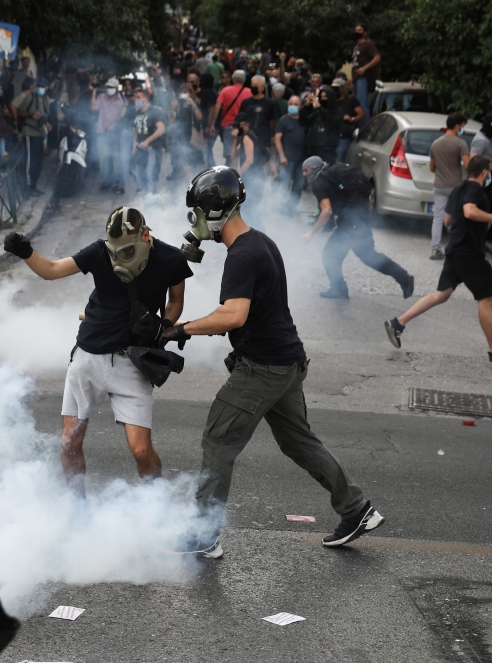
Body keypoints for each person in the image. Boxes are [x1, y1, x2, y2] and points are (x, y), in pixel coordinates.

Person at [162, 166, 387, 559]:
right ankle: (356, 510)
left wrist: (181, 330)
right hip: (287, 362)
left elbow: (233, 315)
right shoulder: (260, 242)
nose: (193, 221)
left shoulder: (241, 256)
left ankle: (203, 534)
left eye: (196, 212)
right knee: (298, 442)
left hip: (263, 368)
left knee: (218, 440)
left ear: (213, 212)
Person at [0, 207, 191, 493]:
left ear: (145, 236)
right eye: (114, 251)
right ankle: (77, 508)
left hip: (132, 362)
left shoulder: (170, 258)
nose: (119, 258)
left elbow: (175, 301)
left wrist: (163, 324)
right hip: (88, 356)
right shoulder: (99, 251)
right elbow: (52, 270)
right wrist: (25, 252)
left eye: (126, 252)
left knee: (141, 450)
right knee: (69, 442)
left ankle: (155, 506)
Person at [384, 156, 492, 365]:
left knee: (441, 294)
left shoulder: (458, 189)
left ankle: (398, 323)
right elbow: (469, 211)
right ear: (484, 172)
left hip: (455, 249)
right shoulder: (475, 189)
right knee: (485, 300)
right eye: (490, 172)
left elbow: (448, 220)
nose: (490, 175)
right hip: (469, 253)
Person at [301, 156, 413, 300]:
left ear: (314, 168)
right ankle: (404, 278)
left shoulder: (320, 182)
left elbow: (326, 211)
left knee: (330, 255)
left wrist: (310, 233)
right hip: (359, 219)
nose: (304, 174)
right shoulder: (331, 173)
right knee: (368, 257)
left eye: (306, 170)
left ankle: (339, 289)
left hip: (351, 224)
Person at [428, 113, 470, 260]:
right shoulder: (461, 144)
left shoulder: (435, 143)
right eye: (462, 126)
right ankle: (455, 248)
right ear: (457, 126)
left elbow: (432, 168)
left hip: (439, 186)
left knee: (438, 217)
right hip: (455, 186)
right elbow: (468, 166)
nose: (462, 129)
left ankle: (435, 249)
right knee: (457, 218)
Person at [11, 76, 51, 196]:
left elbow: (45, 115)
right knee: (30, 160)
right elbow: (19, 111)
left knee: (38, 161)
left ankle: (33, 185)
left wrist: (47, 124)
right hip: (29, 132)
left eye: (43, 86)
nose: (40, 88)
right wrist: (30, 115)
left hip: (40, 132)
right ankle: (27, 187)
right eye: (38, 86)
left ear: (47, 88)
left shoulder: (46, 99)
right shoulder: (30, 97)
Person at [93, 77, 128, 192]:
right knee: (103, 158)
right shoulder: (101, 97)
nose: (109, 89)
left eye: (111, 87)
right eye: (108, 87)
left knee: (116, 159)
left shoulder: (123, 99)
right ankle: (106, 181)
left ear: (116, 88)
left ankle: (116, 182)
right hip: (103, 133)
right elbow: (93, 107)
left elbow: (131, 111)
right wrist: (93, 92)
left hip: (117, 134)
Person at [130, 87, 167, 195]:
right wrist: (134, 144)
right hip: (140, 148)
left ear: (145, 98)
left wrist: (147, 141)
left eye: (138, 97)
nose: (135, 100)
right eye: (135, 97)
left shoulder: (155, 111)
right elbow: (136, 129)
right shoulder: (137, 113)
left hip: (153, 148)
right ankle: (147, 196)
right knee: (140, 174)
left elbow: (161, 129)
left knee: (150, 174)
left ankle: (152, 198)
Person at [274, 96, 307, 209]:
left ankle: (292, 207)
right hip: (288, 159)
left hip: (302, 159)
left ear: (300, 106)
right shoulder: (283, 120)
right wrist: (282, 156)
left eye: (296, 104)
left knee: (298, 184)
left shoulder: (304, 120)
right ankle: (283, 207)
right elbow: (277, 138)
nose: (293, 106)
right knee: (285, 183)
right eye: (291, 104)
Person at [216, 70, 251, 160]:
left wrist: (212, 123)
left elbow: (217, 106)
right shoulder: (249, 92)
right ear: (244, 80)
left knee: (230, 154)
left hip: (228, 125)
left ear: (232, 79)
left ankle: (230, 168)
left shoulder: (225, 91)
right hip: (245, 126)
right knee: (244, 154)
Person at [300, 85, 342, 163]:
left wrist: (319, 107)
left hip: (328, 149)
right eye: (321, 97)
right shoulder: (316, 112)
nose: (323, 99)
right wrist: (307, 107)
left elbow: (331, 122)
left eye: (325, 97)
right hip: (313, 148)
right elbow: (303, 122)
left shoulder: (337, 112)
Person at [351, 24, 380, 129]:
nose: (357, 32)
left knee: (362, 105)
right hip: (356, 79)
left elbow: (377, 58)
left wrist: (364, 68)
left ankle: (365, 130)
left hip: (363, 78)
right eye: (356, 30)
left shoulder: (368, 44)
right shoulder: (356, 47)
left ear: (365, 33)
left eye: (360, 30)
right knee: (356, 106)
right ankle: (359, 128)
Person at [336, 79, 366, 160]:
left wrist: (351, 119)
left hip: (345, 135)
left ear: (343, 88)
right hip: (333, 136)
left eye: (338, 88)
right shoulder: (331, 100)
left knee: (339, 160)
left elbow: (362, 115)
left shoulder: (351, 99)